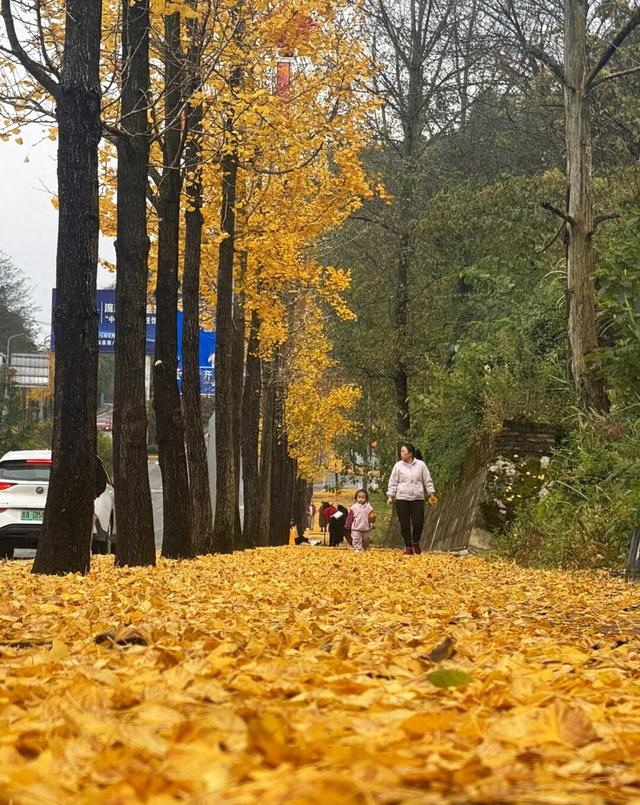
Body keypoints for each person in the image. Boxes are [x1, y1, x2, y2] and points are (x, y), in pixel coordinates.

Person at [387, 442, 438, 555]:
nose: (401, 454)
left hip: (417, 498)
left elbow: (427, 480)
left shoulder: (421, 465)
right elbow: (393, 482)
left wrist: (431, 493)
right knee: (404, 524)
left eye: (403, 452)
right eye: (401, 452)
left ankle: (415, 542)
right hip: (402, 499)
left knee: (418, 522)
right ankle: (408, 546)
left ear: (410, 453)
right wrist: (391, 496)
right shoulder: (398, 466)